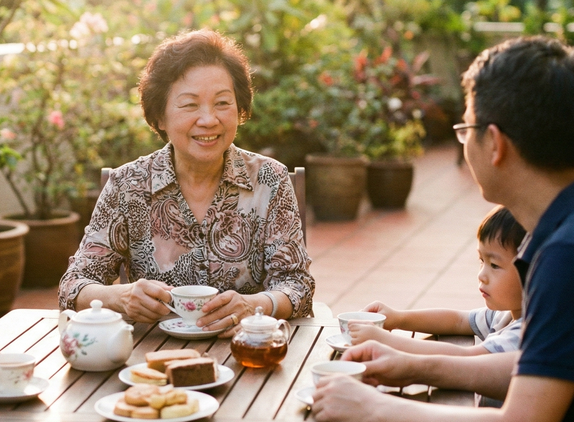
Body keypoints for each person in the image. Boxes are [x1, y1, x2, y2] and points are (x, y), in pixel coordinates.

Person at [311, 36, 574, 422]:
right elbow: (535, 366)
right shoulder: (554, 233)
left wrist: (373, 407)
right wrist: (413, 364)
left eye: (466, 129)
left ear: (495, 144)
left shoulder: (563, 256)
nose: (463, 141)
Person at [58, 29, 315, 336]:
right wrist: (120, 297)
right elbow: (74, 285)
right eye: (190, 105)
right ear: (160, 117)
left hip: (246, 351)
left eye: (222, 102)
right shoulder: (128, 185)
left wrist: (253, 305)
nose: (208, 119)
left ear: (240, 109)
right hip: (151, 362)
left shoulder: (269, 180)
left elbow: (297, 285)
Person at [349, 206, 524, 408]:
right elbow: (459, 320)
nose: (481, 275)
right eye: (481, 261)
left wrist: (387, 340)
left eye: (494, 265)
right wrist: (397, 318)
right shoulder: (504, 314)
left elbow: (464, 359)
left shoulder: (522, 335)